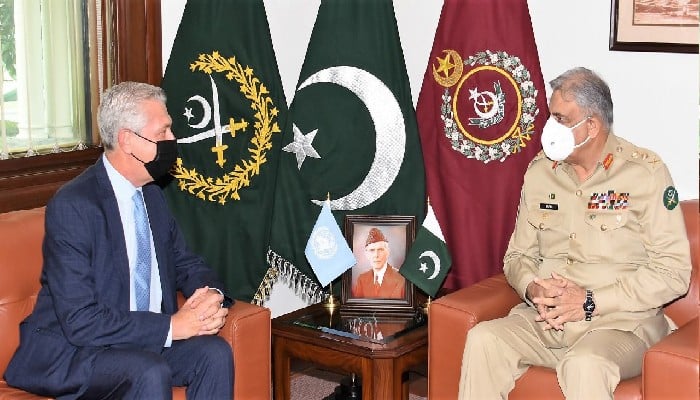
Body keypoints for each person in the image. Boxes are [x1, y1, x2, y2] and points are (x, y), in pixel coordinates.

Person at [458, 67, 691, 400]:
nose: (550, 128)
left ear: (592, 125)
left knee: (584, 364)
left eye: (561, 119)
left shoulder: (645, 174)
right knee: (485, 339)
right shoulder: (541, 172)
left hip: (619, 324)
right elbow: (517, 256)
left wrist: (591, 301)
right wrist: (532, 287)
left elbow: (674, 273)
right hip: (547, 321)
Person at [4, 82, 235, 399]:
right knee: (149, 371)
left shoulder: (151, 194)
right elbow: (80, 320)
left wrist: (211, 294)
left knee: (215, 353)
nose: (173, 140)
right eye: (163, 132)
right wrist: (172, 327)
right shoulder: (75, 206)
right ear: (128, 141)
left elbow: (185, 262)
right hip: (82, 350)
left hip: (143, 339)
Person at [352, 227, 406, 298]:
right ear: (366, 254)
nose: (376, 255)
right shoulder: (362, 279)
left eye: (380, 249)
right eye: (372, 250)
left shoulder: (401, 279)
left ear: (387, 252)